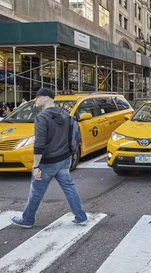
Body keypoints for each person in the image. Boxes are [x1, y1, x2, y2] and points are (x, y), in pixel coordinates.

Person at [11, 88, 87, 228]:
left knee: (36, 192)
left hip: (48, 161)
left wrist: (35, 166)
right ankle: (81, 217)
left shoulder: (42, 117)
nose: (36, 100)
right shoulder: (64, 114)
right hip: (64, 158)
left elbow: (39, 144)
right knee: (70, 188)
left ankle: (27, 220)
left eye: (37, 97)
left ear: (46, 98)